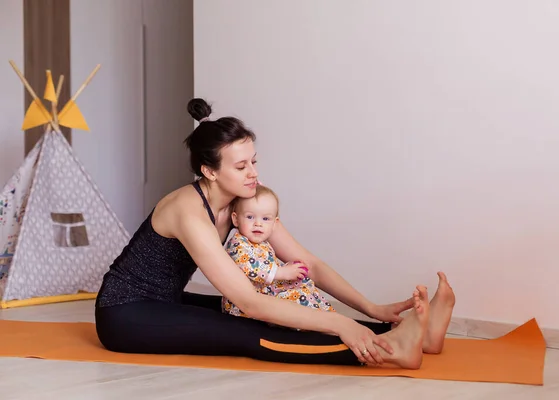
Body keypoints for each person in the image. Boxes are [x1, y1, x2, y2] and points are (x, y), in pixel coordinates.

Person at [94, 98, 456, 369]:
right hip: (126, 314)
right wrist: (339, 323)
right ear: (210, 171)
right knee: (246, 329)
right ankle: (391, 351)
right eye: (241, 166)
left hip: (167, 301)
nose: (252, 172)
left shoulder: (244, 198)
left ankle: (419, 337)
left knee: (280, 306)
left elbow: (306, 264)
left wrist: (370, 307)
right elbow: (249, 302)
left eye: (254, 161)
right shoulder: (187, 212)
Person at [222, 184, 336, 318]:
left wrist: (289, 269)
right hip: (244, 305)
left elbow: (269, 264)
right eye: (250, 217)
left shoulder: (262, 243)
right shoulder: (238, 243)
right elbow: (251, 268)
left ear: (274, 223)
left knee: (304, 285)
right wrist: (281, 272)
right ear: (236, 219)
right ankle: (316, 321)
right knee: (295, 299)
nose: (258, 223)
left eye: (265, 219)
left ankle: (327, 315)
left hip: (265, 291)